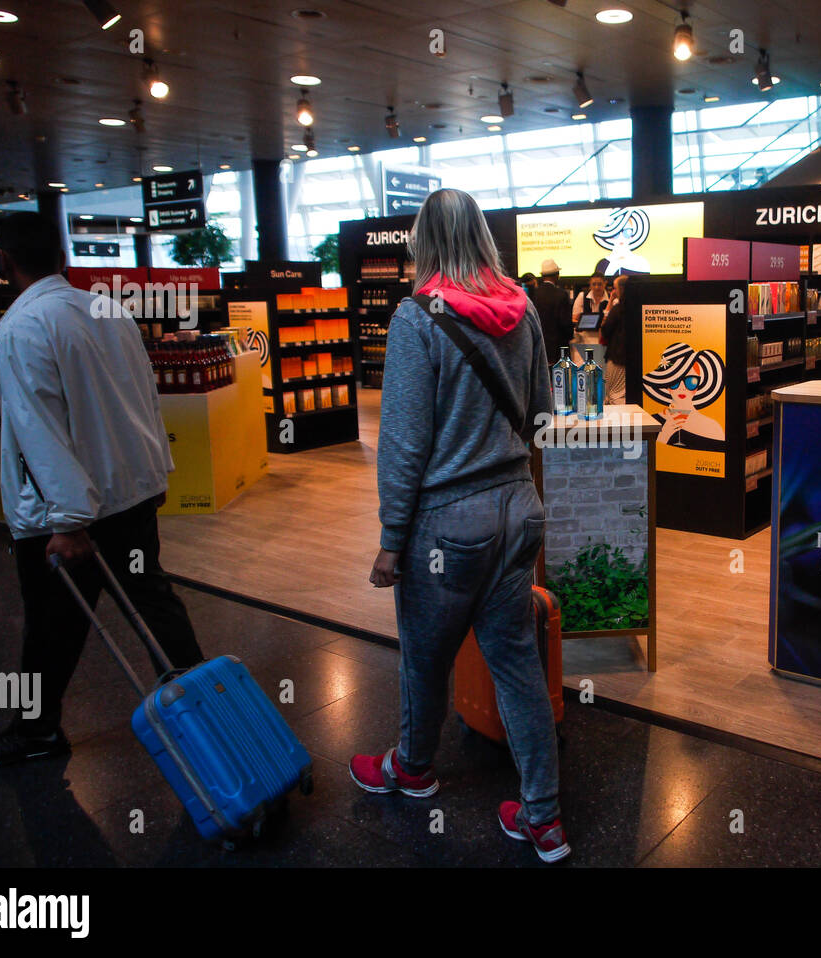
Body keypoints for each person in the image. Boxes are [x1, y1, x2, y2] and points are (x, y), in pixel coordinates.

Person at [352, 188, 569, 863]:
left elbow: (403, 444)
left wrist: (392, 539)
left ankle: (413, 768)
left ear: (423, 243)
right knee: (517, 664)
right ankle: (544, 819)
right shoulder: (524, 308)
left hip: (449, 521)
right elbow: (540, 414)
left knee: (424, 654)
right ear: (482, 236)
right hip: (518, 507)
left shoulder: (418, 318)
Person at [0, 212, 204, 769]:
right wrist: (157, 471)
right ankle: (207, 713)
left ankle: (37, 731)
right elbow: (145, 397)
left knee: (51, 624)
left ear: (5, 262)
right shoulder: (109, 310)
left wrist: (68, 521)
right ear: (63, 258)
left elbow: (37, 430)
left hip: (73, 511)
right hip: (129, 493)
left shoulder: (24, 328)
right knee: (152, 603)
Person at [530, 258, 572, 367]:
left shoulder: (534, 294)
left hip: (540, 348)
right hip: (559, 349)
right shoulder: (561, 294)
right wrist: (570, 335)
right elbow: (565, 323)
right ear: (557, 275)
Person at [599, 274, 629, 405]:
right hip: (627, 357)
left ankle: (618, 424)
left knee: (614, 393)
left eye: (615, 288)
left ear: (621, 289)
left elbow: (605, 330)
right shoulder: (635, 306)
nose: (613, 292)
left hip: (617, 357)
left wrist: (610, 303)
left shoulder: (618, 309)